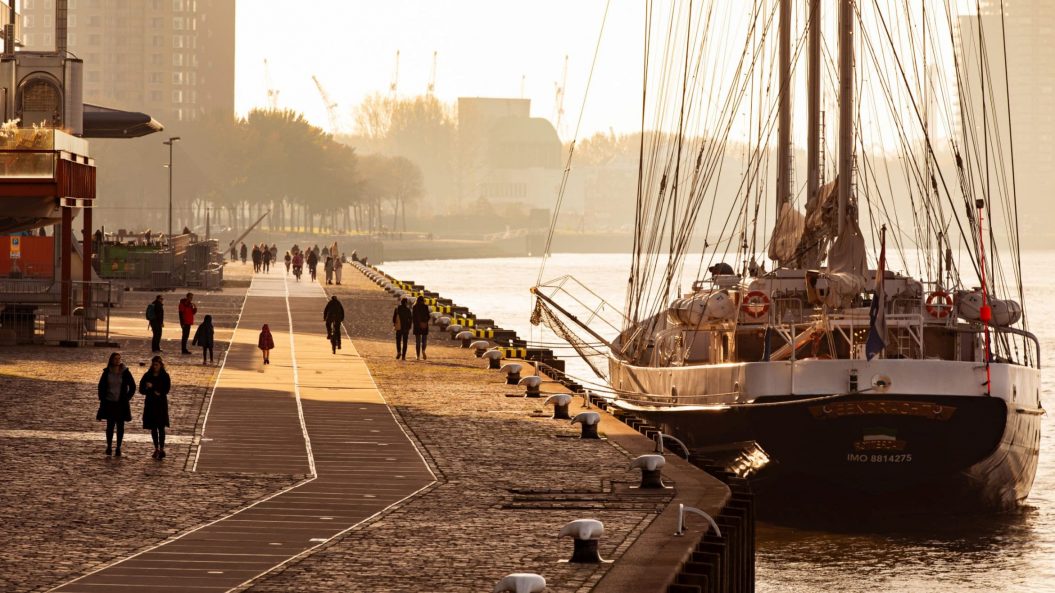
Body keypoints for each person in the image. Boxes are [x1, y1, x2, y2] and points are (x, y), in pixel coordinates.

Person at [97, 352, 136, 457]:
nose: (117, 360)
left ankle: (118, 447)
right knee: (110, 426)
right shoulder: (107, 372)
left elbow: (132, 386)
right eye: (115, 359)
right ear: (111, 360)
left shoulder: (125, 372)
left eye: (119, 359)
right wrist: (102, 398)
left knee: (120, 426)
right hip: (110, 402)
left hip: (121, 404)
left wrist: (127, 398)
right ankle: (109, 446)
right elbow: (101, 386)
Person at [140, 356, 171, 460]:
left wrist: (153, 387)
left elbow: (165, 390)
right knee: (153, 427)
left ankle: (162, 448)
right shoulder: (147, 375)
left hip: (161, 405)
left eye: (157, 365)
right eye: (153, 364)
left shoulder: (165, 376)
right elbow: (141, 389)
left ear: (160, 365)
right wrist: (147, 388)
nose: (155, 366)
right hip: (150, 404)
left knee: (161, 427)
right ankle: (156, 448)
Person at [412, 295, 430, 360]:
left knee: (417, 342)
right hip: (424, 326)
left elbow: (413, 317)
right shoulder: (425, 307)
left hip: (417, 326)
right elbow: (428, 316)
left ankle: (418, 356)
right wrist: (425, 322)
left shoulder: (414, 307)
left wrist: (417, 324)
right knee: (424, 340)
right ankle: (423, 350)